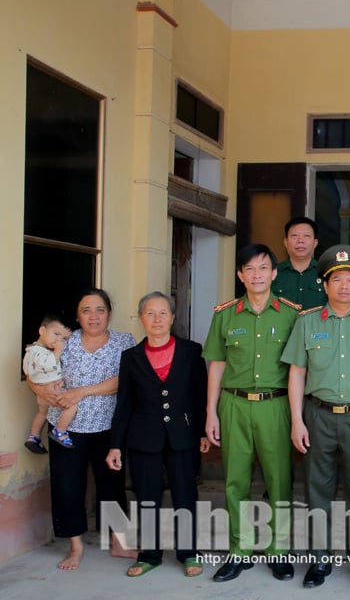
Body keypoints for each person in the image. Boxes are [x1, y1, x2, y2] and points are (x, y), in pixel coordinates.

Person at [284, 245, 350, 589]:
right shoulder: (307, 321)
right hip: (318, 415)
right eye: (337, 280)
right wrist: (297, 420)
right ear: (325, 286)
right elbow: (297, 372)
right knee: (317, 490)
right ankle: (319, 560)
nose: (345, 286)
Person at [204, 244, 300, 582]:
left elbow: (299, 369)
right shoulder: (225, 314)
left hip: (275, 405)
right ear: (240, 275)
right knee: (235, 480)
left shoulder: (291, 314)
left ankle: (279, 550)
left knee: (279, 480)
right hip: (234, 404)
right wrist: (210, 412)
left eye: (263, 268)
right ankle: (240, 549)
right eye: (250, 269)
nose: (256, 275)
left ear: (274, 273)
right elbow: (216, 363)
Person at [27, 289, 138, 570]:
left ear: (109, 313)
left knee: (111, 484)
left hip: (107, 426)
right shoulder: (63, 340)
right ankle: (75, 546)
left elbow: (125, 380)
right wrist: (43, 391)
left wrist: (80, 392)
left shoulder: (124, 342)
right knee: (68, 486)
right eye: (86, 310)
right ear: (78, 316)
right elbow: (34, 374)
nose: (93, 316)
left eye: (99, 309)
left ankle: (119, 541)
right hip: (65, 427)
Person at [105, 292, 209, 578]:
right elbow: (124, 403)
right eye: (150, 313)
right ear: (141, 319)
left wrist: (202, 432)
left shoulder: (190, 351)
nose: (157, 319)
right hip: (143, 438)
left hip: (182, 436)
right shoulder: (131, 357)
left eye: (163, 313)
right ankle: (149, 555)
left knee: (185, 494)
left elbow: (200, 396)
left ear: (173, 317)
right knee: (147, 496)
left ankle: (188, 553)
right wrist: (115, 446)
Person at [23, 314, 74, 453]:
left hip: (41, 391)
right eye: (56, 334)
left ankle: (33, 436)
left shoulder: (30, 350)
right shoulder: (40, 353)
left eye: (63, 338)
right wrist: (58, 351)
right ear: (42, 331)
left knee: (42, 413)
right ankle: (60, 431)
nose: (59, 340)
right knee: (72, 405)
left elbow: (26, 371)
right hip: (53, 389)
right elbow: (49, 364)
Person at [272, 216, 325, 309]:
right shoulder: (273, 273)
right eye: (295, 236)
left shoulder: (325, 273)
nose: (300, 241)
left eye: (306, 236)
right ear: (286, 242)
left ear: (315, 243)